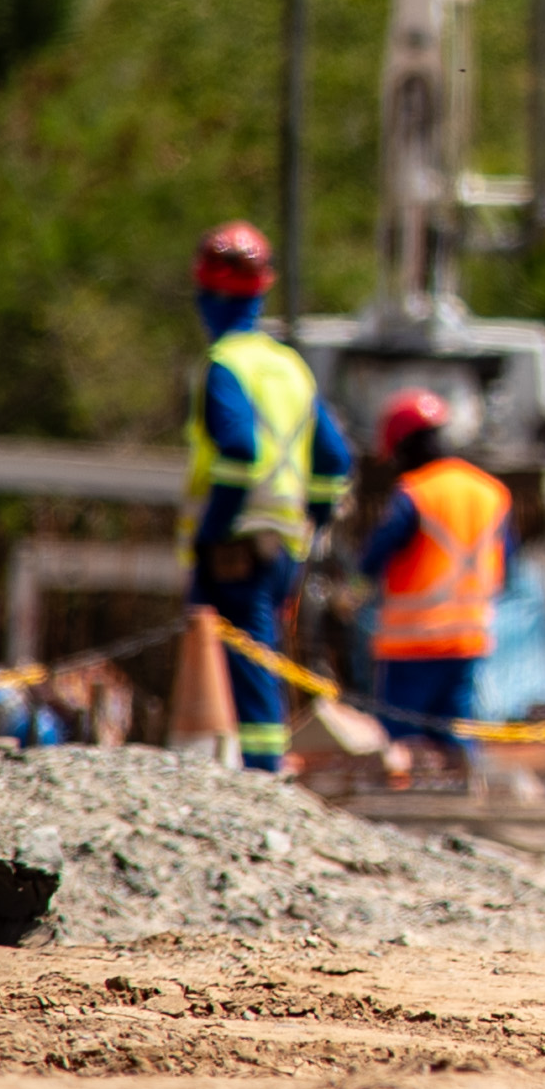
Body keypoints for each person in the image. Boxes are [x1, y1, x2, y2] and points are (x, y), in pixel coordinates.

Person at [181, 220, 351, 774]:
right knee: (260, 654)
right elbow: (334, 459)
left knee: (246, 663)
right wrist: (314, 524)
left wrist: (213, 529)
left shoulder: (225, 365)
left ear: (205, 293)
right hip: (284, 547)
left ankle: (260, 772)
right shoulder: (289, 367)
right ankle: (253, 765)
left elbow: (236, 449)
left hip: (236, 545)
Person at [363, 388, 515, 785]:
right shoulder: (491, 492)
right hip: (468, 637)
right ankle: (469, 794)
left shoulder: (415, 492)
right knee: (455, 728)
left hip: (412, 641)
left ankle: (401, 808)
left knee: (400, 735)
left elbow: (373, 558)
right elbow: (506, 563)